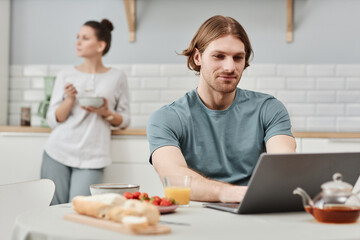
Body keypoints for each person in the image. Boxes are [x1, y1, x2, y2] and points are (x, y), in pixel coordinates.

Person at [146, 15, 296, 203]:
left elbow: (283, 165)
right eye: (219, 56)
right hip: (197, 216)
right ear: (197, 57)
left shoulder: (269, 109)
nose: (230, 67)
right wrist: (235, 194)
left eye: (238, 58)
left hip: (255, 211)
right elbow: (175, 177)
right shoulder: (166, 118)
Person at [41, 19, 130, 205]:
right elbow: (53, 119)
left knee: (80, 209)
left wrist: (106, 112)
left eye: (85, 38)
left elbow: (124, 119)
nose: (78, 42)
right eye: (78, 37)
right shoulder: (65, 74)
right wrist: (70, 100)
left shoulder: (117, 76)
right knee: (52, 210)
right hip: (58, 151)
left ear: (100, 45)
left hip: (94, 156)